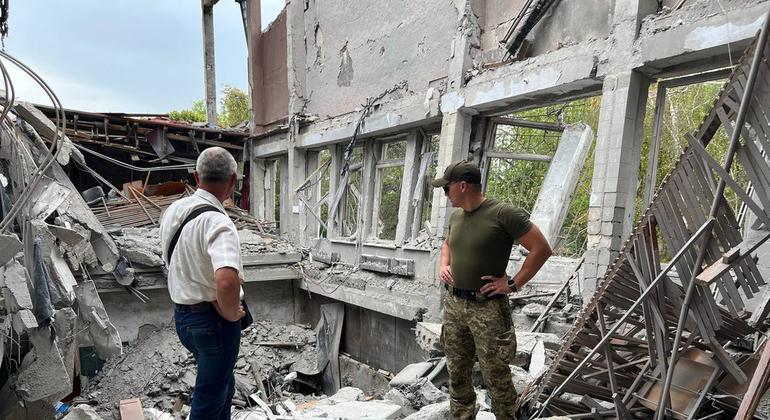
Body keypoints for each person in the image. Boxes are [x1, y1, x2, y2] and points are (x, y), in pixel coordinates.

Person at [431, 160, 552, 420]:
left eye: (446, 188)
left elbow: (541, 249)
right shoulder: (456, 216)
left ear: (462, 186)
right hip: (454, 305)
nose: (445, 194)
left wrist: (512, 284)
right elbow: (448, 245)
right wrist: (443, 265)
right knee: (457, 372)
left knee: (496, 374)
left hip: (487, 306)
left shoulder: (503, 213)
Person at [160, 147, 245, 420]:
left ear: (196, 177)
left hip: (184, 318)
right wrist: (231, 312)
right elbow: (227, 281)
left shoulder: (173, 211)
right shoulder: (218, 221)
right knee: (209, 399)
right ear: (233, 180)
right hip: (213, 323)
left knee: (222, 386)